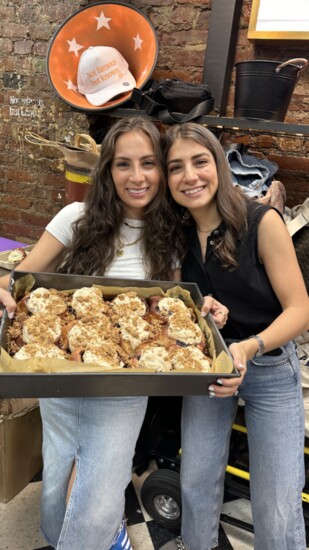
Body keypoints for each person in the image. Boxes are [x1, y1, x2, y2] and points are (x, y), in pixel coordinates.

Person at [0, 117, 191, 550]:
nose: (137, 176)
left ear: (161, 168)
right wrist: (4, 287)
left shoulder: (169, 233)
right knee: (63, 459)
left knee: (104, 469)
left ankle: (90, 536)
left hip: (126, 382)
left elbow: (171, 307)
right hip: (63, 371)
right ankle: (70, 534)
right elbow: (23, 277)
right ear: (107, 170)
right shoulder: (76, 217)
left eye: (148, 163)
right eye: (123, 164)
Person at [160, 122, 309, 550]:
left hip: (269, 364)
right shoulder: (178, 232)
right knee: (196, 481)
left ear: (219, 167)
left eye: (200, 162)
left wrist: (248, 345)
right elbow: (184, 304)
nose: (190, 176)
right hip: (208, 368)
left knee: (277, 505)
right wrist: (205, 315)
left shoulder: (261, 222)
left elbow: (300, 309)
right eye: (176, 167)